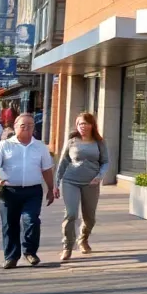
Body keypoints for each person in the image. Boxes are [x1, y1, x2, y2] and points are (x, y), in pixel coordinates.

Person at [0, 113, 55, 268]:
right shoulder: (4, 145)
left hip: (33, 191)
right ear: (15, 126)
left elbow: (46, 170)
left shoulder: (40, 147)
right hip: (8, 191)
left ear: (34, 129)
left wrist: (51, 189)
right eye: (22, 125)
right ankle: (11, 257)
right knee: (9, 224)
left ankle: (30, 252)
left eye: (30, 125)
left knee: (31, 220)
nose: (26, 128)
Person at [54, 112, 109, 261]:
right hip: (70, 181)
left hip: (91, 183)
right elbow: (63, 162)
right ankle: (67, 246)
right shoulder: (72, 141)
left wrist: (99, 177)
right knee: (71, 214)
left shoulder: (99, 142)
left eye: (85, 123)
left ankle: (83, 239)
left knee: (89, 218)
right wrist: (56, 183)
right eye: (79, 124)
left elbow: (105, 162)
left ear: (92, 125)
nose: (82, 126)